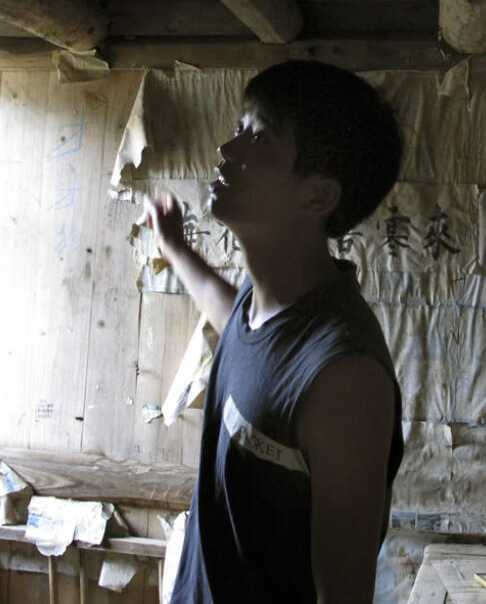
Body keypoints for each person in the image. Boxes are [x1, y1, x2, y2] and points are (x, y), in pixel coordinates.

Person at [144, 60, 405, 604]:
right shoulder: (261, 300)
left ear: (317, 197)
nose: (227, 150)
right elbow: (232, 322)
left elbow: (344, 595)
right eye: (239, 130)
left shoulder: (344, 377)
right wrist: (175, 248)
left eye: (257, 139)